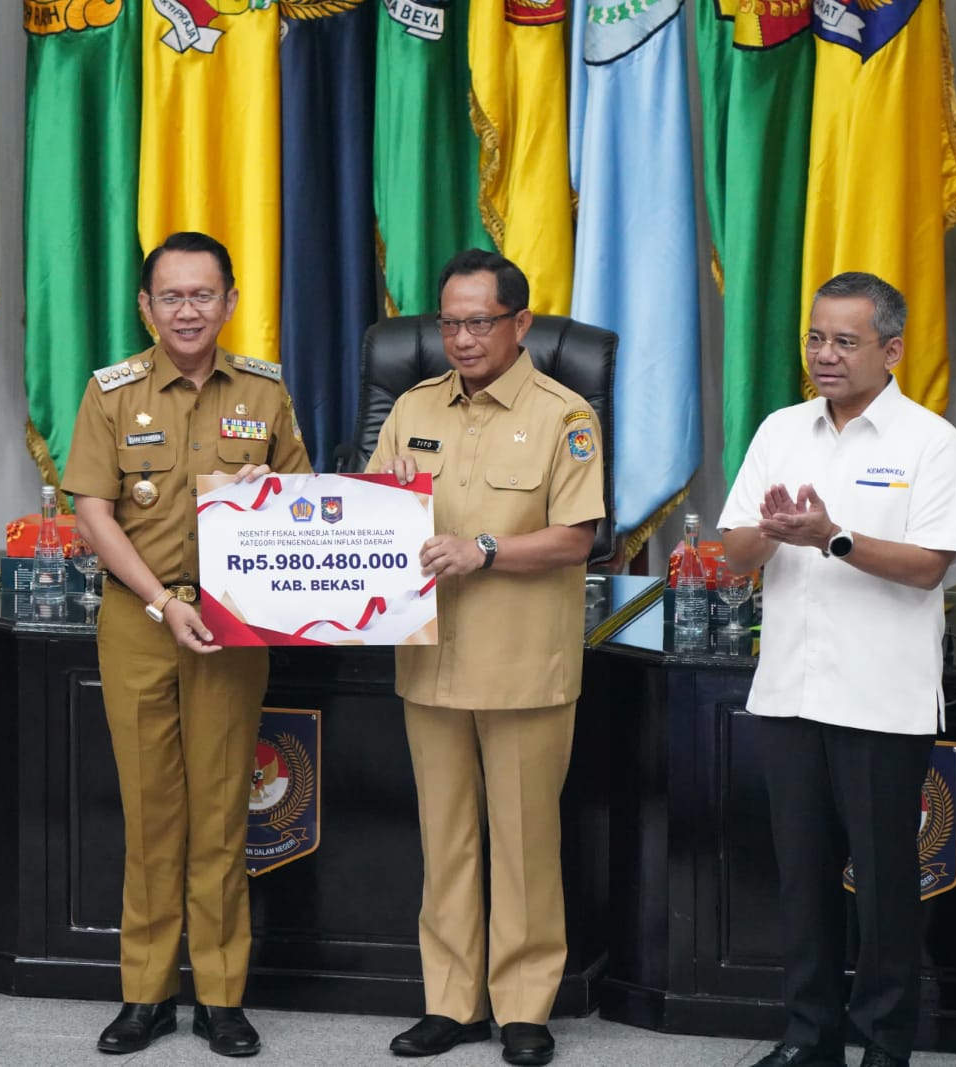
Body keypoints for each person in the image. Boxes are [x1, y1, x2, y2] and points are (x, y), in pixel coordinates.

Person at [717, 272, 956, 1067]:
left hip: (881, 698)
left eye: (844, 341)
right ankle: (810, 1036)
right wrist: (768, 532)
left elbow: (931, 565)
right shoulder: (780, 430)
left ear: (891, 349)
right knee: (801, 879)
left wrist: (832, 535)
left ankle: (885, 1044)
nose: (824, 355)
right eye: (815, 338)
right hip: (791, 688)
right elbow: (733, 554)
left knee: (887, 885)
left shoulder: (930, 441)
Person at [65, 231, 313, 1058]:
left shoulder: (267, 393)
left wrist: (270, 495)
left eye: (202, 295)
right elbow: (93, 513)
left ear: (231, 302)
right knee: (152, 816)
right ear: (145, 307)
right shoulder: (111, 392)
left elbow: (309, 503)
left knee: (219, 817)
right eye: (169, 296)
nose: (186, 311)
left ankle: (220, 996)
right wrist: (158, 600)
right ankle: (144, 994)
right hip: (140, 624)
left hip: (235, 625)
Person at [369, 249, 605, 1067]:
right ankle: (451, 1001)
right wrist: (383, 500)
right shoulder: (410, 405)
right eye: (449, 322)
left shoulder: (563, 413)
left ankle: (525, 1007)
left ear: (520, 323)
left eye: (479, 321)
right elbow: (366, 527)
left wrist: (487, 549)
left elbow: (578, 538)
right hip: (430, 660)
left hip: (522, 664)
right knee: (447, 839)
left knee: (525, 841)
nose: (462, 339)